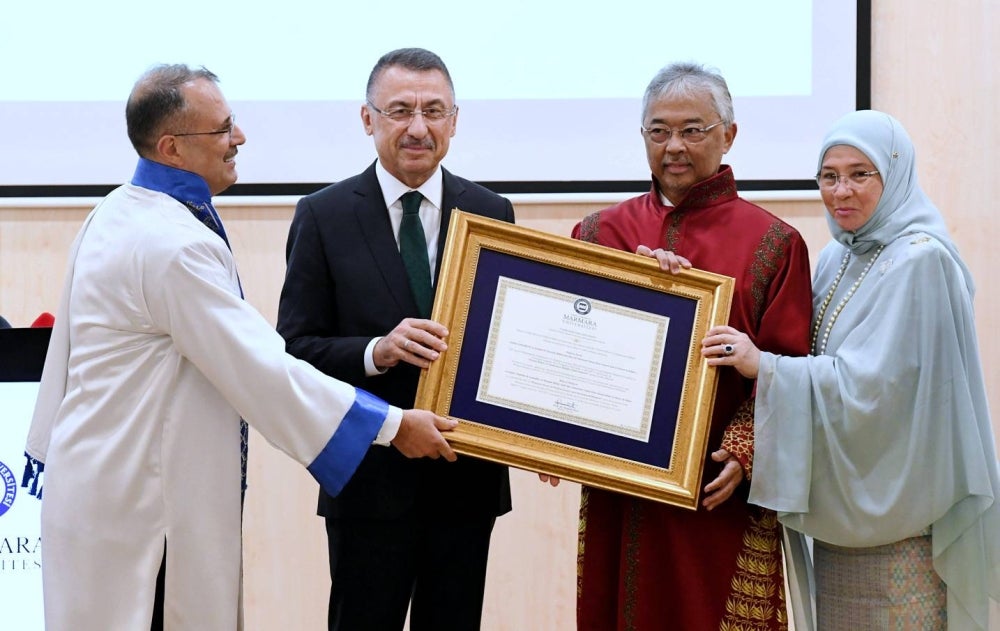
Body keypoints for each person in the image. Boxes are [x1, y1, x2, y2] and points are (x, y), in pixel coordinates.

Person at [22, 63, 458, 631]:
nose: (240, 138)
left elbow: (64, 355)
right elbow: (261, 370)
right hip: (144, 512)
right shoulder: (169, 244)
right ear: (172, 147)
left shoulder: (117, 211)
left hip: (102, 490)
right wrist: (392, 426)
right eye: (223, 128)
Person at [703, 109, 1000, 630]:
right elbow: (817, 359)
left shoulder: (921, 261)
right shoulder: (838, 257)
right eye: (829, 176)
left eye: (860, 174)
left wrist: (762, 366)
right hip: (841, 517)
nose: (841, 191)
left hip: (899, 521)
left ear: (896, 174)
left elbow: (877, 389)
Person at [553, 62, 814, 630]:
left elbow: (792, 367)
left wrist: (743, 451)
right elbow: (569, 349)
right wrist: (550, 433)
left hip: (715, 492)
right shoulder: (599, 234)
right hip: (618, 491)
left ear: (729, 135)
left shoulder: (774, 243)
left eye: (693, 130)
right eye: (659, 130)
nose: (674, 146)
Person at [276, 48, 514, 631]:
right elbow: (294, 350)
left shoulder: (492, 212)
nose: (418, 128)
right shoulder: (323, 215)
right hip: (368, 480)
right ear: (368, 119)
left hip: (464, 482)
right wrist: (374, 352)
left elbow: (508, 345)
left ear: (454, 121)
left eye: (434, 111)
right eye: (400, 110)